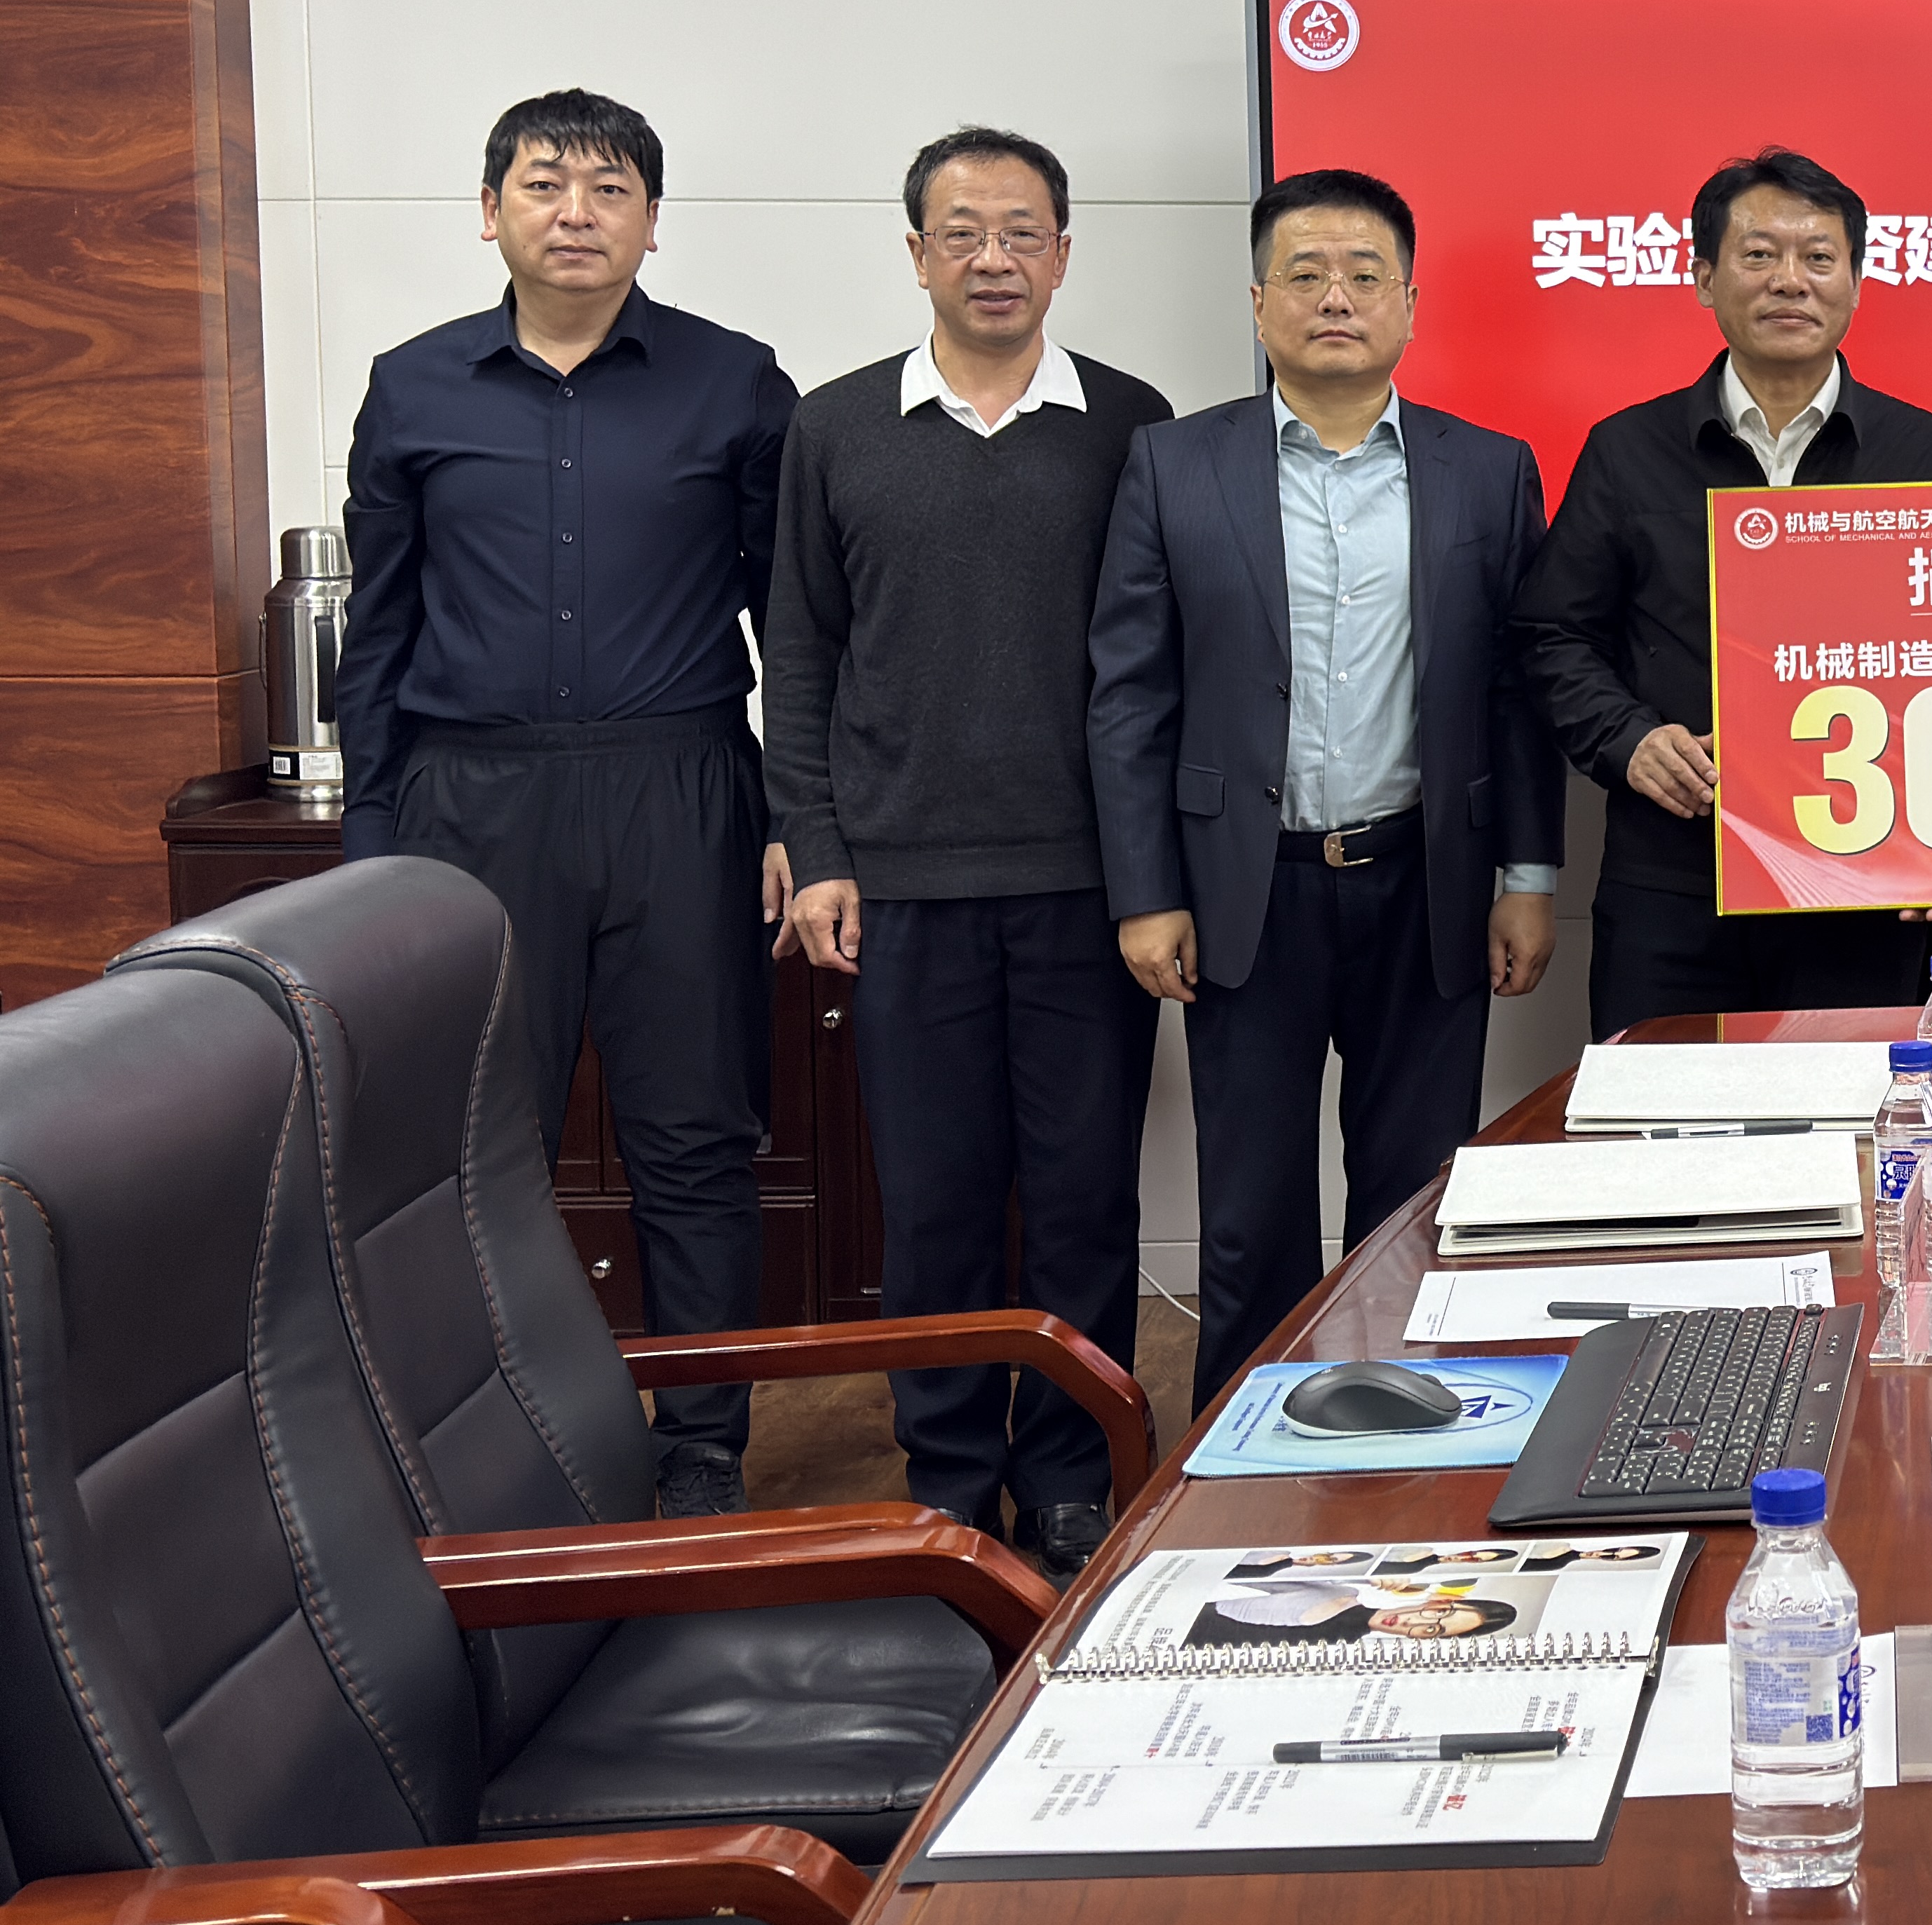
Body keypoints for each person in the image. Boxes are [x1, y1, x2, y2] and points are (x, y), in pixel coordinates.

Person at [336, 89, 794, 1516]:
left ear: (653, 221)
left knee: (695, 1132)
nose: (576, 212)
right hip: (471, 801)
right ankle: (490, 1442)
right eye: (545, 184)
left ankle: (702, 1438)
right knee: (478, 1143)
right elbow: (379, 632)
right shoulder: (413, 387)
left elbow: (795, 624)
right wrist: (371, 846)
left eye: (610, 188)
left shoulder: (737, 383)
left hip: (681, 787)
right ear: (491, 213)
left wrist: (801, 815)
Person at [764, 128, 1171, 1585]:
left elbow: (1160, 662)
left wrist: (1155, 876)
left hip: (1085, 888)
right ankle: (946, 1476)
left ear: (1061, 253)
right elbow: (799, 654)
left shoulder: (1129, 423)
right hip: (904, 889)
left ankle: (1067, 1475)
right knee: (933, 1207)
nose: (992, 258)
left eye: (1021, 232)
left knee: (1082, 1202)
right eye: (962, 232)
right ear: (917, 251)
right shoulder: (836, 427)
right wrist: (816, 846)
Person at [1089, 169, 1561, 1412]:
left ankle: (1409, 1436)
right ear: (1259, 303)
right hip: (1244, 891)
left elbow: (1517, 691)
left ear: (1410, 302)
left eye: (1364, 274)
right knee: (1249, 1217)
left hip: (1427, 883)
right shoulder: (1175, 463)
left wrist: (1527, 876)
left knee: (1417, 1198)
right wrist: (1145, 891)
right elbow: (1129, 692)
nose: (1335, 297)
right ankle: (1243, 1456)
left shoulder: (1487, 470)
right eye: (1304, 274)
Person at [1514, 150, 1932, 1035]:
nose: (1789, 281)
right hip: (1673, 878)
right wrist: (1628, 738)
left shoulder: (1925, 453)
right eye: (1758, 255)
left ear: (1856, 281)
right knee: (1660, 1113)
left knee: (1855, 1116)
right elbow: (1552, 634)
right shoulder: (1627, 449)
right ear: (1704, 278)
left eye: (1818, 257)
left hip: (1862, 880)